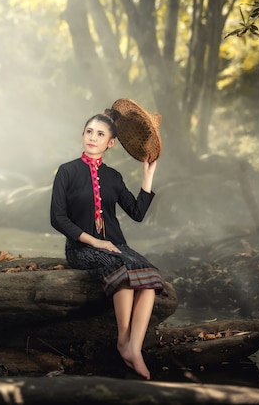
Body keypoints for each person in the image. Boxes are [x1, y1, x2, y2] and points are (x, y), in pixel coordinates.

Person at [49, 108, 167, 380]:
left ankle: (132, 347)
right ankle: (123, 339)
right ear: (82, 135)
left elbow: (136, 213)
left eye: (100, 134)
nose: (93, 137)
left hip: (116, 245)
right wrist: (94, 242)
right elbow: (57, 218)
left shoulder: (114, 177)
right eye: (89, 131)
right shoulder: (66, 172)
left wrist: (147, 175)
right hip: (81, 248)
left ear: (110, 143)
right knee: (121, 271)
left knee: (150, 277)